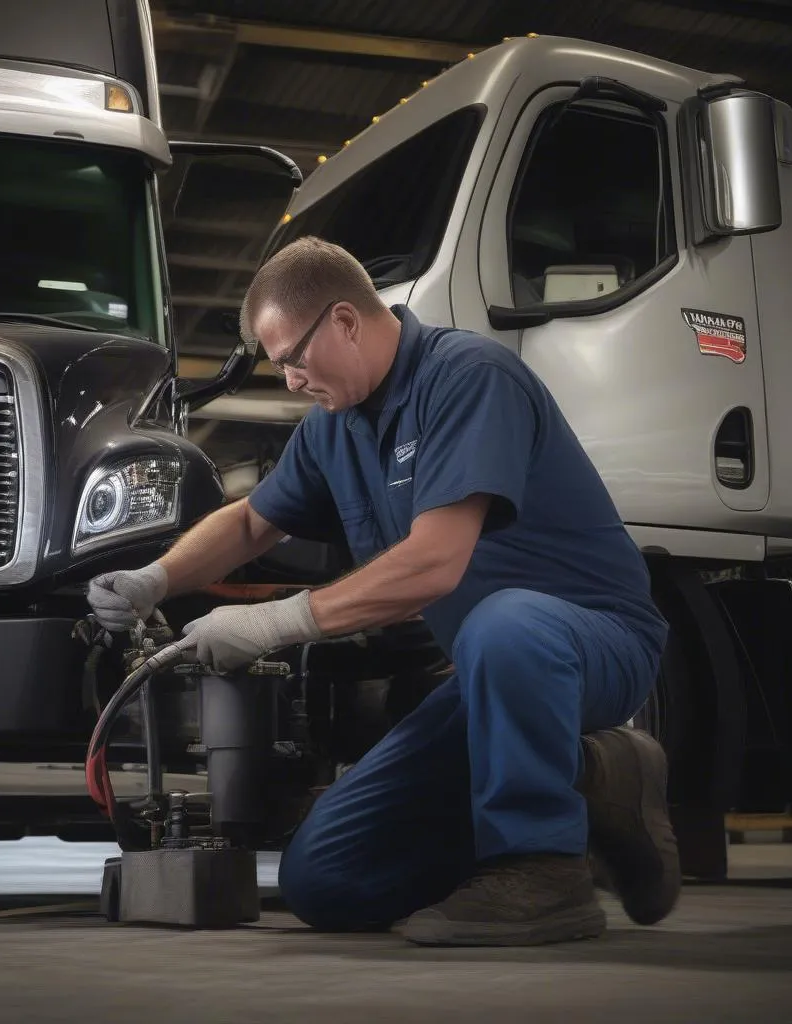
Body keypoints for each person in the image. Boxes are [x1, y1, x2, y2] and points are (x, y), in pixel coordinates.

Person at [87, 236, 678, 947]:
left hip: (593, 646)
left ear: (344, 320)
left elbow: (434, 565)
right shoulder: (333, 429)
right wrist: (157, 578)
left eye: (293, 359)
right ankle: (590, 785)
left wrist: (276, 623)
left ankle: (542, 870)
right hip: (486, 680)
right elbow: (250, 521)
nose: (291, 381)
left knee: (505, 625)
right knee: (325, 880)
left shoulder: (467, 377)